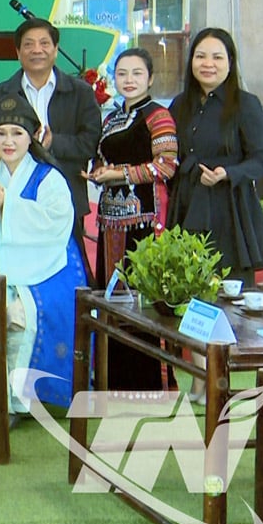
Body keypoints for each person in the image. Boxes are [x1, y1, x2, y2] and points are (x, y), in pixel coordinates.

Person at [0, 97, 88, 431]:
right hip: (0, 264)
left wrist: (10, 207)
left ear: (31, 136)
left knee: (19, 319)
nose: (8, 141)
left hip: (47, 269)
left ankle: (14, 402)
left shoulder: (49, 178)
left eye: (16, 133)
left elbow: (58, 223)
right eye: (0, 133)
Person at [168, 28, 263, 402]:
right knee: (192, 295)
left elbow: (261, 160)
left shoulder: (245, 104)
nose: (208, 64)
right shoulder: (179, 104)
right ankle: (198, 381)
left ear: (230, 63)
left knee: (226, 299)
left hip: (229, 210)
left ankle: (220, 383)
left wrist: (229, 173)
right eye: (201, 56)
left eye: (217, 57)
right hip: (188, 205)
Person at [83, 48, 177, 391]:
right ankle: (115, 379)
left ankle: (149, 383)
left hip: (144, 221)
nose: (129, 80)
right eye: (122, 73)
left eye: (137, 73)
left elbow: (166, 165)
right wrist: (96, 173)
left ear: (150, 78)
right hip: (110, 220)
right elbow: (102, 160)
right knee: (113, 299)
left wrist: (118, 174)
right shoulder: (111, 118)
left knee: (142, 302)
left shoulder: (158, 116)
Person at [0, 18, 101, 265]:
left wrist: (53, 144)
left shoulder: (80, 92)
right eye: (28, 44)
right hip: (11, 197)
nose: (37, 50)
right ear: (18, 52)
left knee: (66, 269)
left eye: (44, 43)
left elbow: (90, 142)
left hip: (65, 196)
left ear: (56, 49)